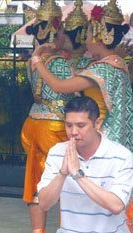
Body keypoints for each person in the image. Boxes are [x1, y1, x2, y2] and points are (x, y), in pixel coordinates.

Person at [32, 0, 133, 152]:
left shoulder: (103, 69)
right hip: (118, 135)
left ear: (100, 37)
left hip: (103, 137)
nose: (85, 40)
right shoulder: (118, 63)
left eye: (88, 34)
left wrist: (37, 59)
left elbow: (58, 86)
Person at [38, 96, 133, 233]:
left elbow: (116, 205)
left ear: (97, 123)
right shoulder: (57, 152)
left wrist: (78, 175)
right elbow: (44, 203)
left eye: (81, 125)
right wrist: (62, 174)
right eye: (69, 125)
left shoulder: (122, 156)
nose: (73, 132)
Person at [20, 0, 76, 231]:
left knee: (35, 181)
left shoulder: (34, 60)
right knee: (67, 182)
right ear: (53, 31)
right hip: (53, 126)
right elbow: (73, 92)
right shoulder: (60, 62)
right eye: (61, 30)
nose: (64, 35)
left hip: (33, 122)